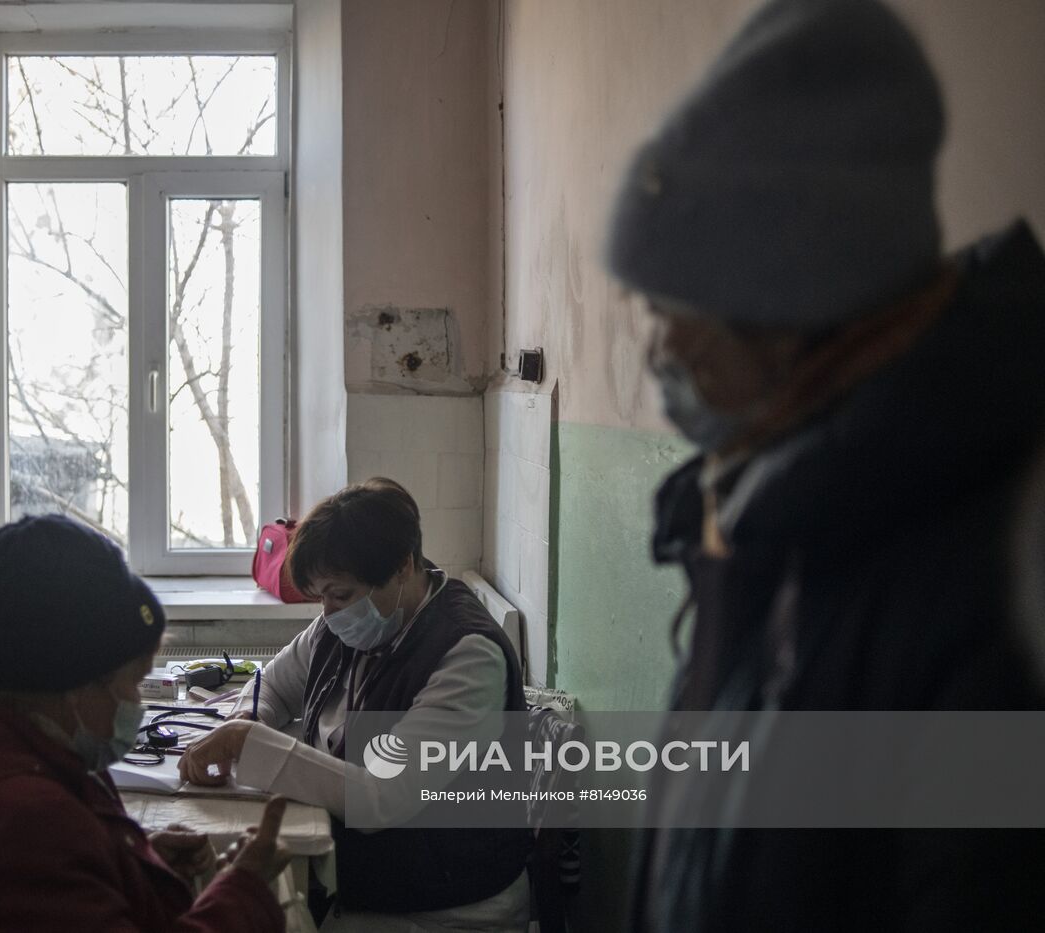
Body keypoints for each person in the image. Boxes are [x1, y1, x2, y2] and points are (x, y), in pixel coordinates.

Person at [604, 0, 1045, 930]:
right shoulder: (768, 506)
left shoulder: (996, 580)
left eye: (683, 308)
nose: (662, 350)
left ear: (797, 310)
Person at [0, 515, 290, 932]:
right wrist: (244, 891)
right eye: (132, 682)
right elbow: (35, 864)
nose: (136, 703)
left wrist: (127, 866)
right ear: (74, 683)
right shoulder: (27, 829)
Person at [177, 477, 533, 931]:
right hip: (365, 883)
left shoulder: (467, 655)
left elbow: (385, 796)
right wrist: (244, 720)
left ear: (403, 566)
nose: (326, 612)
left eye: (339, 594)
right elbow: (274, 686)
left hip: (447, 907)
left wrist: (249, 742)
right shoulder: (350, 621)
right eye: (321, 596)